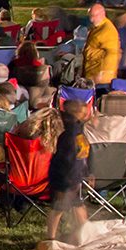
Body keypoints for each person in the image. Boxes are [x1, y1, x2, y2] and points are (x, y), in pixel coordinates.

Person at [45, 98, 89, 242]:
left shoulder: (77, 127)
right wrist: (70, 179)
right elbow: (68, 158)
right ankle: (50, 238)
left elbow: (81, 154)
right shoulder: (69, 131)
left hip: (74, 175)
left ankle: (84, 235)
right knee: (59, 208)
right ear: (78, 112)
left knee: (78, 206)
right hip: (65, 176)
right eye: (85, 110)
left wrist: (86, 173)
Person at [82, 2, 119, 87]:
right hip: (91, 73)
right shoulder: (97, 27)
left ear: (103, 14)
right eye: (90, 16)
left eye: (94, 16)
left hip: (101, 79)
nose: (91, 19)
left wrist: (104, 74)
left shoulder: (108, 31)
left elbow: (112, 54)